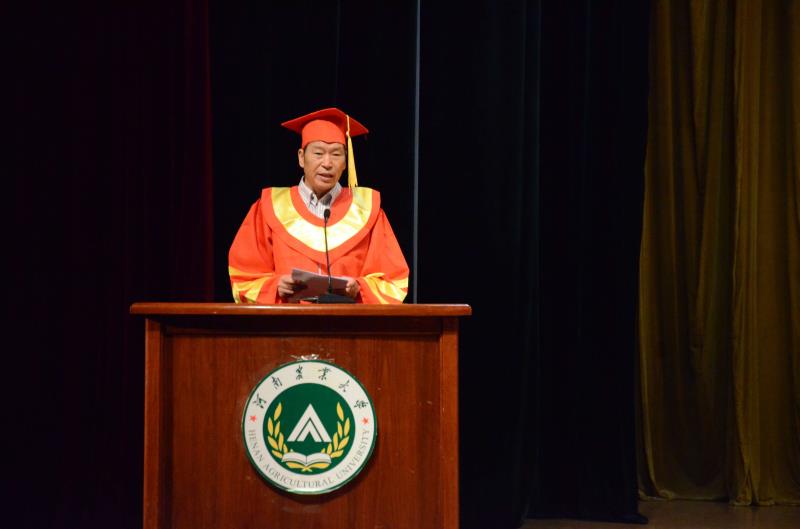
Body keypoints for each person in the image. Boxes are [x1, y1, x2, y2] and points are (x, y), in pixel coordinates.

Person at [228, 107, 409, 304]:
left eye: (336, 154)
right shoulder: (269, 208)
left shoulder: (366, 210)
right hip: (288, 320)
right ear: (301, 157)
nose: (327, 163)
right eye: (318, 153)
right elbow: (244, 277)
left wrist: (359, 288)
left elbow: (393, 281)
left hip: (348, 320)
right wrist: (276, 286)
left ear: (345, 162)